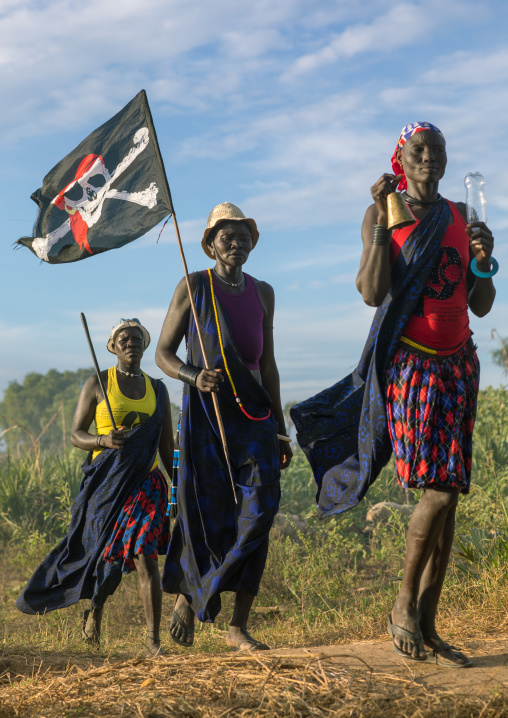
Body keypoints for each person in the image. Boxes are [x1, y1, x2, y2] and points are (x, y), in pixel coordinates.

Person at [291, 122, 496, 667]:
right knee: (440, 491)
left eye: (437, 151)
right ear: (400, 160)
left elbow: (482, 305)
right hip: (411, 365)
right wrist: (383, 220)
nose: (429, 158)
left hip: (459, 364)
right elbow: (371, 291)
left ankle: (428, 621)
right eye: (418, 151)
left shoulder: (460, 217)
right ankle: (404, 603)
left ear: (447, 160)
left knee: (449, 495)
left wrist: (485, 258)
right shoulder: (385, 212)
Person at [155, 202, 292, 651]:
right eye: (226, 235)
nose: (236, 242)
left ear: (252, 242)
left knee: (261, 511)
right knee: (206, 514)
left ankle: (234, 624)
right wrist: (194, 375)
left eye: (243, 235)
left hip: (254, 416)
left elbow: (266, 364)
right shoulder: (194, 286)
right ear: (211, 244)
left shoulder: (264, 292)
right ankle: (189, 597)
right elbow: (163, 354)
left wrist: (279, 425)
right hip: (206, 415)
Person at [16, 319, 174, 657]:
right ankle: (96, 608)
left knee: (146, 556)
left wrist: (179, 487)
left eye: (137, 338)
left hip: (146, 485)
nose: (131, 342)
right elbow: (76, 435)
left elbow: (166, 445)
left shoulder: (158, 390)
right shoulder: (99, 383)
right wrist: (102, 439)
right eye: (124, 338)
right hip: (107, 486)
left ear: (144, 346)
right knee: (110, 567)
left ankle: (153, 641)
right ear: (113, 347)